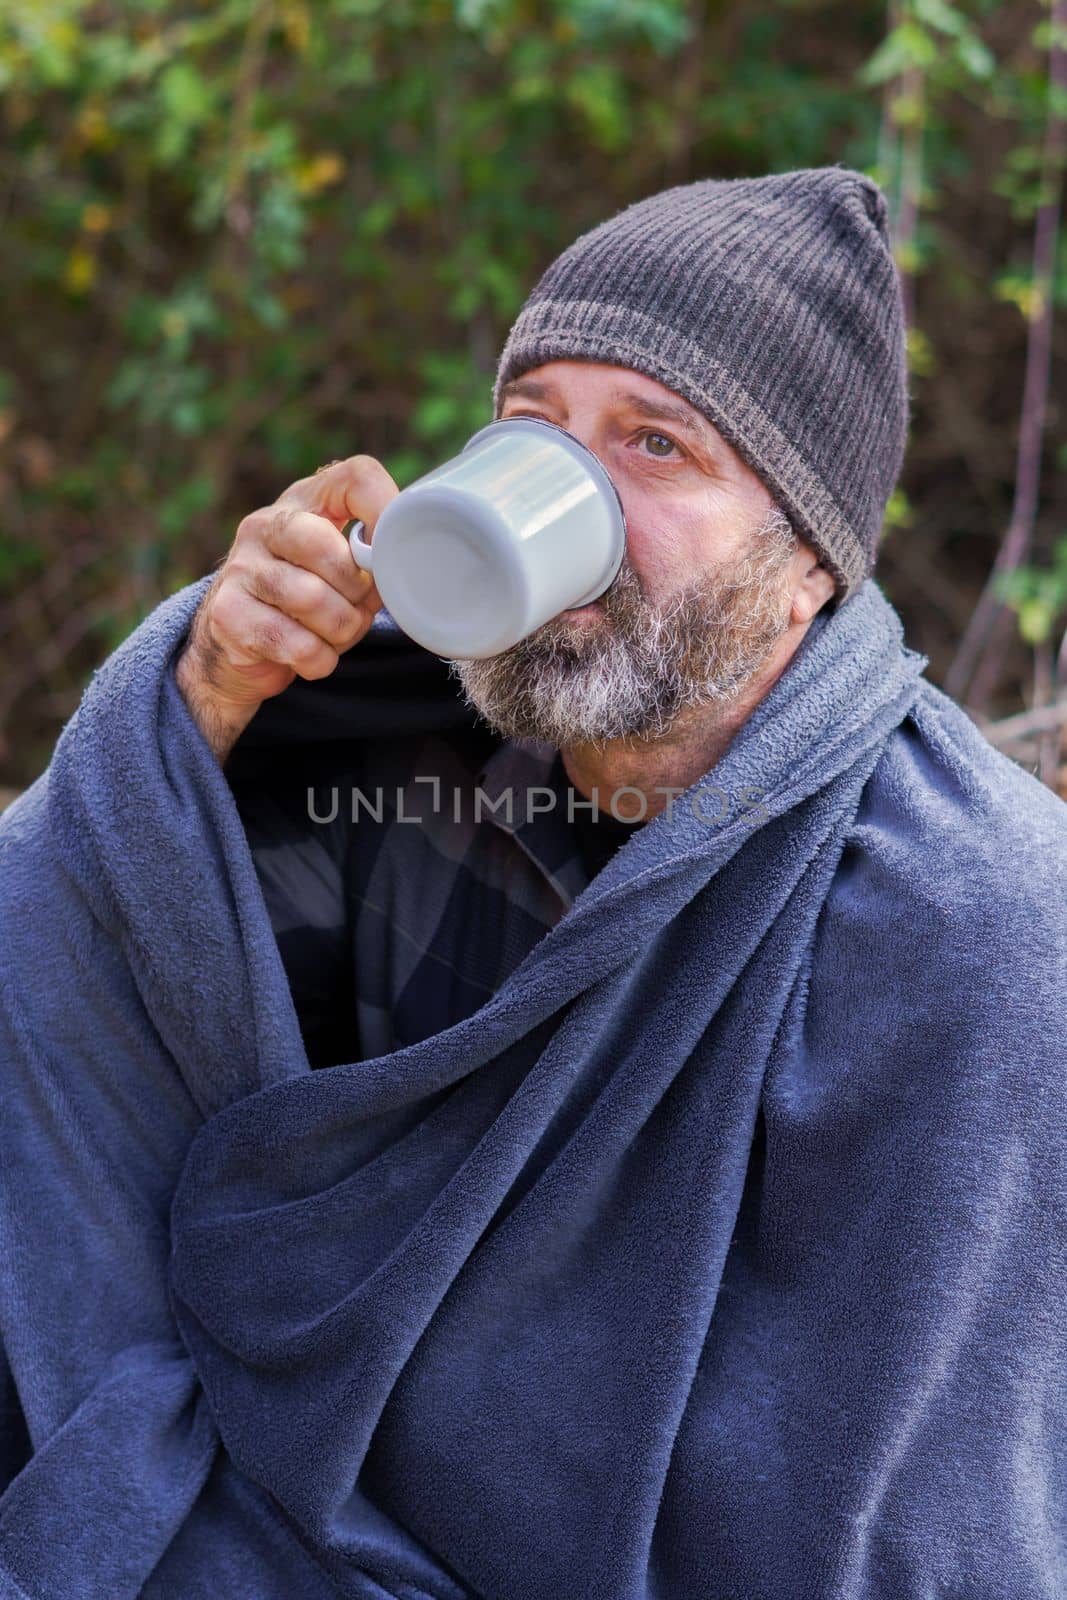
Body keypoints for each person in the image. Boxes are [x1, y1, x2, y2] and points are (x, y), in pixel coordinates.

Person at [0, 166, 1064, 1600]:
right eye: (535, 424)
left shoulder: (974, 924)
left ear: (808, 564)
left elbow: (890, 1524)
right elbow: (69, 1045)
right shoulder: (381, 762)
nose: (569, 488)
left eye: (656, 445)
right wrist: (194, 703)